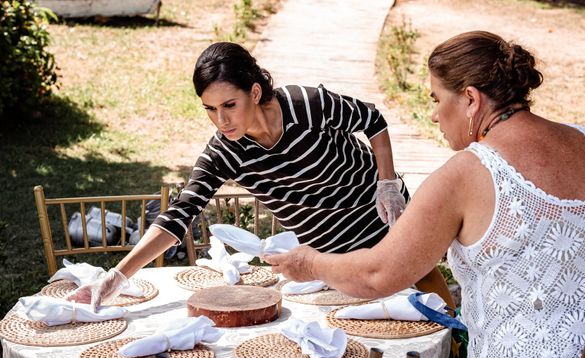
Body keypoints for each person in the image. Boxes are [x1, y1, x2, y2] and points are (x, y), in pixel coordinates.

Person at [265, 31, 585, 358]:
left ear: (469, 99)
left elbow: (378, 272)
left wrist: (309, 263)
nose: (433, 113)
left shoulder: (466, 172)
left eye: (435, 98)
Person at [68, 41, 453, 308]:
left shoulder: (308, 106)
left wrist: (387, 184)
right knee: (380, 334)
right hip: (327, 249)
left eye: (229, 105)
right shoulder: (225, 152)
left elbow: (373, 120)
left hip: (376, 217)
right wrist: (117, 276)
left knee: (428, 296)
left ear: (254, 92)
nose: (222, 120)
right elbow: (179, 215)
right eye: (210, 109)